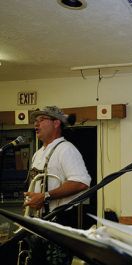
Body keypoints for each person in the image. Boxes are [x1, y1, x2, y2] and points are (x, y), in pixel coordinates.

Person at [23, 106, 91, 265]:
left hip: (58, 223)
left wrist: (45, 196)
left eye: (41, 120)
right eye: (35, 121)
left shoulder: (66, 149)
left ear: (56, 123)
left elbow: (82, 182)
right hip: (38, 223)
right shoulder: (37, 153)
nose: (36, 124)